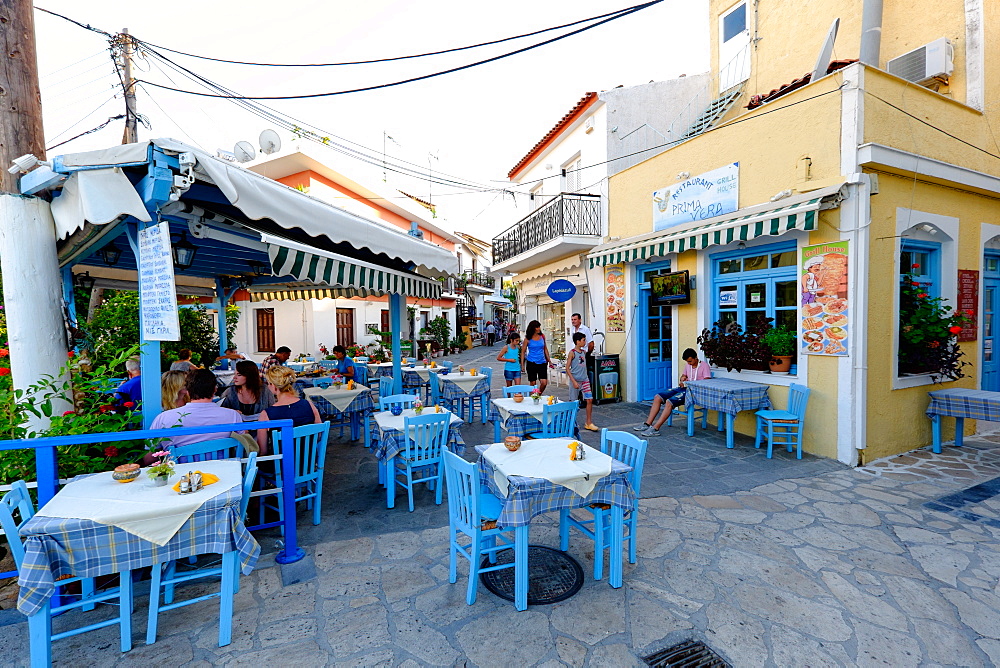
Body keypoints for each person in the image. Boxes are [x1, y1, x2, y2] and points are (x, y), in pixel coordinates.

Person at [145, 369, 244, 464]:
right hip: (222, 475)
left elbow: (149, 457)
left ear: (187, 391)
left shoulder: (163, 418)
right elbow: (244, 441)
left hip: (181, 477)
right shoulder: (233, 416)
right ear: (215, 389)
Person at [634, 348, 711, 437]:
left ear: (695, 358)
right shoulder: (688, 365)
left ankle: (655, 428)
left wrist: (692, 384)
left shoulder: (704, 366)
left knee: (669, 402)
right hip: (684, 388)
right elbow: (684, 375)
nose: (689, 363)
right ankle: (647, 424)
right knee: (657, 397)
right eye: (687, 362)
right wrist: (682, 379)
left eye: (690, 361)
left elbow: (707, 382)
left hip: (694, 391)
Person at [256, 366, 321, 453]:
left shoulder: (266, 414)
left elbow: (263, 451)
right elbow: (319, 435)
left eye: (268, 383)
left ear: (274, 386)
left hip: (280, 464)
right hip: (308, 462)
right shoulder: (309, 404)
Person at [568, 332, 598, 431]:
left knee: (589, 399)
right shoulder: (572, 353)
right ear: (578, 341)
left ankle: (588, 422)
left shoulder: (583, 353)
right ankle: (572, 422)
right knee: (574, 402)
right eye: (583, 340)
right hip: (575, 380)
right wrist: (573, 381)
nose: (585, 342)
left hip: (585, 379)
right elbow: (567, 368)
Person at [521, 320, 551, 395]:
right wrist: (522, 365)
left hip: (542, 362)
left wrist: (549, 360)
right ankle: (533, 396)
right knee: (533, 382)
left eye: (539, 327)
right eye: (537, 327)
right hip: (531, 362)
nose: (539, 329)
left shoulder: (542, 337)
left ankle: (538, 394)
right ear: (533, 328)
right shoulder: (527, 339)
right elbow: (523, 352)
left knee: (544, 382)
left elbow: (545, 349)